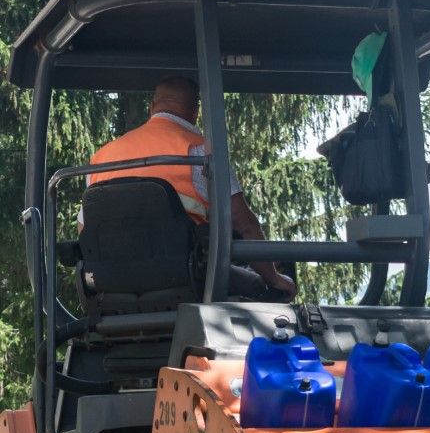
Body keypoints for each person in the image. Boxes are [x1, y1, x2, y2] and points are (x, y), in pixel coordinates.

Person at [87, 75, 296, 297]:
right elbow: (243, 224)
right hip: (185, 281)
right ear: (195, 111)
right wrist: (273, 278)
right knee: (261, 288)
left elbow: (85, 230)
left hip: (111, 285)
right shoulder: (200, 152)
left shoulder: (101, 158)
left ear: (152, 107)